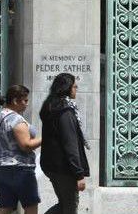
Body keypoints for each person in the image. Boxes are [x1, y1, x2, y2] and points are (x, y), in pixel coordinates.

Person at [40, 73, 89, 214]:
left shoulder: (52, 107)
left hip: (52, 166)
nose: (76, 89)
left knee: (64, 206)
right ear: (67, 88)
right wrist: (79, 174)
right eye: (74, 86)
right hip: (64, 169)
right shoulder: (65, 112)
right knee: (69, 207)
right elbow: (70, 145)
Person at [0, 84, 42, 214]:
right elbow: (26, 145)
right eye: (25, 100)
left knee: (6, 207)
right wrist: (45, 138)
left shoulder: (1, 115)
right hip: (20, 168)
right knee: (30, 205)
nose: (27, 104)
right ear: (14, 101)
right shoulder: (16, 119)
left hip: (0, 167)